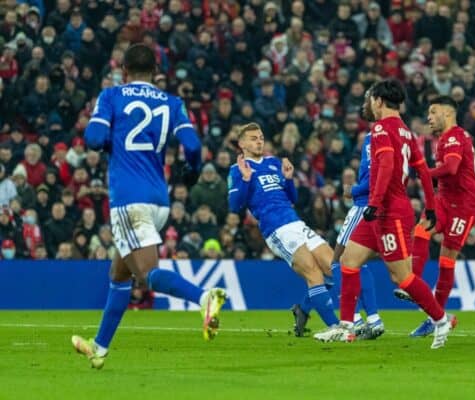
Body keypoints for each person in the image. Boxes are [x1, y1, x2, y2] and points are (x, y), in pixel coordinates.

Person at [71, 44, 227, 370]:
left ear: (123, 71)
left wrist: (112, 136)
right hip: (159, 200)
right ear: (157, 72)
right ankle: (99, 348)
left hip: (129, 199)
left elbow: (95, 138)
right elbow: (194, 146)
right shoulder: (173, 102)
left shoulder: (111, 96)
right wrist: (193, 171)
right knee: (119, 273)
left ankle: (204, 298)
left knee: (147, 275)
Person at [313, 79, 453, 349]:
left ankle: (441, 319)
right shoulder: (406, 133)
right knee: (349, 262)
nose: (370, 106)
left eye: (371, 100)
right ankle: (346, 326)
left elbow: (387, 164)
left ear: (378, 101)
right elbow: (423, 171)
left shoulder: (380, 129)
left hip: (389, 212)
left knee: (403, 277)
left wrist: (375, 204)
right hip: (381, 210)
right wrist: (432, 206)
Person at [228, 122, 339, 334]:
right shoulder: (236, 170)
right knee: (313, 273)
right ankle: (335, 326)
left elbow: (292, 198)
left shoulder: (273, 162)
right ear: (242, 144)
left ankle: (303, 308)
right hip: (277, 229)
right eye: (253, 138)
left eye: (260, 137)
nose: (259, 141)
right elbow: (235, 206)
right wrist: (245, 179)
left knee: (333, 268)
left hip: (296, 222)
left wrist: (288, 180)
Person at [404, 96, 475, 338]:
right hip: (445, 200)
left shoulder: (456, 136)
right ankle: (412, 282)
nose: (428, 117)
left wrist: (424, 172)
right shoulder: (444, 139)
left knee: (446, 259)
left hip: (465, 205)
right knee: (421, 229)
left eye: (433, 112)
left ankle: (434, 317)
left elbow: (451, 168)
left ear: (447, 114)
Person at [328, 89, 383, 340]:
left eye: (367, 100)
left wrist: (355, 189)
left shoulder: (376, 136)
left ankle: (358, 321)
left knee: (338, 262)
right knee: (359, 262)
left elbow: (375, 175)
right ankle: (372, 319)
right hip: (375, 205)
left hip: (363, 204)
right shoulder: (387, 133)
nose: (364, 105)